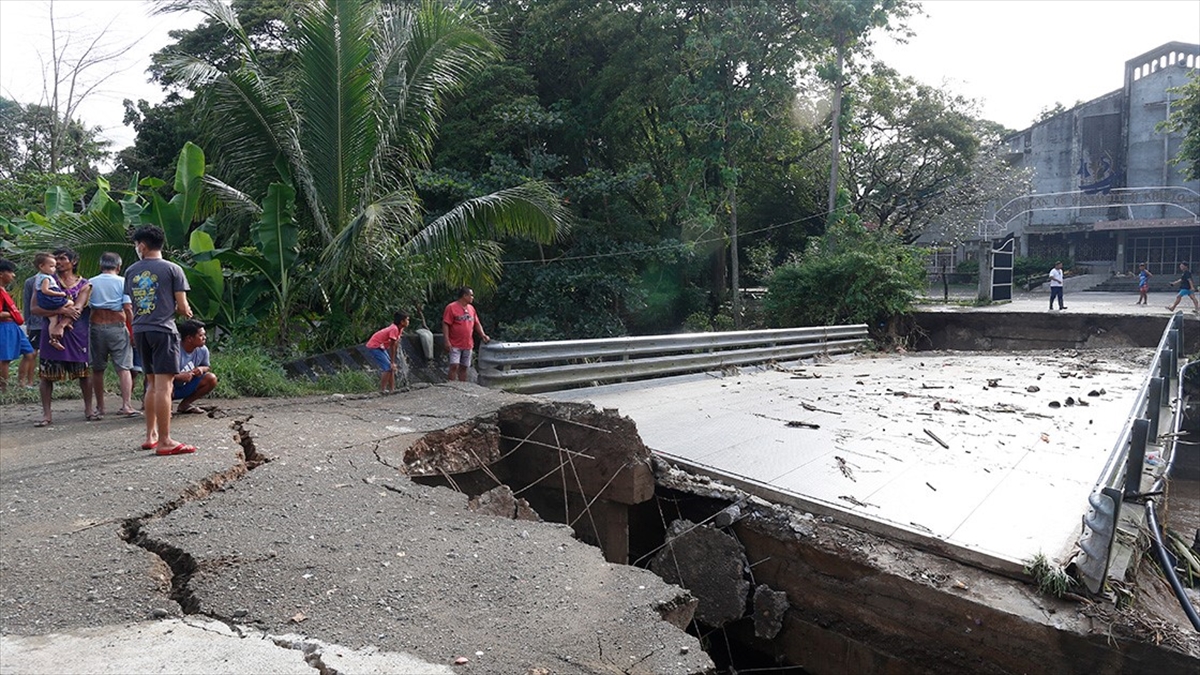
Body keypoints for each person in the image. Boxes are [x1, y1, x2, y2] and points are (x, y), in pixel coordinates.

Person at [125, 225, 196, 455]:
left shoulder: (131, 271)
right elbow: (183, 306)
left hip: (140, 330)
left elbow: (132, 303)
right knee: (165, 386)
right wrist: (183, 310)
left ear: (142, 246)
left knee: (152, 383)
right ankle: (166, 441)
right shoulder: (173, 269)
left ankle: (151, 435)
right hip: (164, 330)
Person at [30, 249, 94, 426]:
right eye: (55, 259)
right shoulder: (44, 279)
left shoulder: (84, 284)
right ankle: (47, 414)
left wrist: (61, 325)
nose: (58, 262)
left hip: (76, 332)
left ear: (73, 262)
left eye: (62, 259)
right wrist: (59, 311)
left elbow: (79, 308)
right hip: (50, 329)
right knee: (46, 375)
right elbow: (34, 308)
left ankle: (89, 409)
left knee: (83, 372)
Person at [89, 252, 139, 417]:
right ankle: (126, 405)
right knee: (124, 368)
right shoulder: (123, 282)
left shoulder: (91, 282)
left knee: (97, 369)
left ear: (101, 266)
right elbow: (128, 308)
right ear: (118, 266)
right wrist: (133, 331)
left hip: (96, 326)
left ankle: (100, 407)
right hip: (117, 327)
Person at [0, 259, 35, 392]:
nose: (13, 275)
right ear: (1, 274)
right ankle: (3, 388)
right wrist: (12, 315)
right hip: (5, 327)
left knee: (29, 353)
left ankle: (21, 384)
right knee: (5, 359)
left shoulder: (4, 290)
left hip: (13, 327)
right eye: (10, 272)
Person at [442, 287, 489, 382]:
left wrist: (483, 335)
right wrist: (446, 340)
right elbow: (446, 324)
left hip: (467, 344)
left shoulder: (471, 309)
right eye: (471, 295)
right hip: (454, 343)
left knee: (464, 366)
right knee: (454, 365)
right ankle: (451, 385)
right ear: (464, 296)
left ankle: (462, 385)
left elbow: (477, 323)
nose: (472, 297)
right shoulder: (451, 307)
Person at [173, 319, 218, 414]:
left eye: (204, 335)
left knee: (211, 378)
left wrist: (201, 369)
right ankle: (162, 407)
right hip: (168, 388)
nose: (204, 338)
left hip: (186, 386)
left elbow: (207, 366)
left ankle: (185, 405)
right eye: (201, 335)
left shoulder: (203, 349)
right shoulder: (173, 350)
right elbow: (160, 373)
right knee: (164, 384)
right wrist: (179, 376)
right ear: (189, 338)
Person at [32, 252, 74, 349]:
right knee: (70, 303)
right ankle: (66, 322)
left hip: (45, 302)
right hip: (50, 300)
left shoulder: (37, 277)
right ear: (42, 266)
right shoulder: (46, 278)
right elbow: (45, 290)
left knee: (53, 320)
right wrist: (60, 294)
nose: (54, 269)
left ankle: (53, 340)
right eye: (51, 266)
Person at [366, 312, 409, 393]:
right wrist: (392, 362)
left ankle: (392, 389)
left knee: (391, 368)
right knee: (388, 368)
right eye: (407, 320)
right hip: (375, 346)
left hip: (381, 347)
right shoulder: (394, 329)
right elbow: (392, 346)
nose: (408, 322)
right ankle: (382, 390)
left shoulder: (399, 329)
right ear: (402, 322)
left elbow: (395, 344)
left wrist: (392, 362)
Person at [18, 265, 44, 388]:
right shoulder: (31, 281)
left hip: (50, 322)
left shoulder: (56, 280)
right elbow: (27, 302)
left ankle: (44, 380)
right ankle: (27, 381)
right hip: (36, 323)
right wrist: (28, 323)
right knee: (31, 353)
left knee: (47, 354)